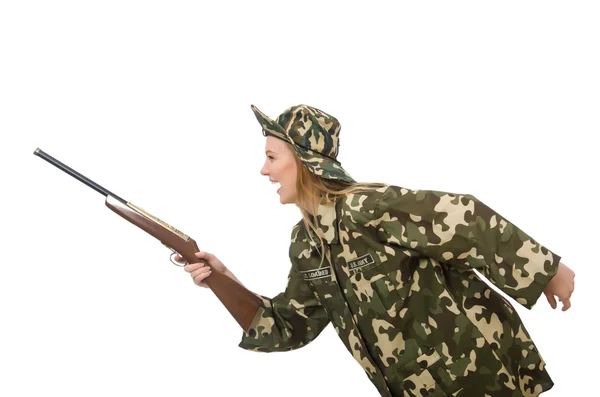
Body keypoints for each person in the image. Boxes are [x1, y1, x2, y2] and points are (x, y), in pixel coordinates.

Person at [177, 104, 576, 397]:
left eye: (271, 157)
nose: (263, 170)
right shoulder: (306, 245)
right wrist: (221, 280)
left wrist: (547, 271)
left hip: (477, 379)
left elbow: (465, 218)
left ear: (304, 162)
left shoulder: (367, 207)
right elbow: (288, 326)